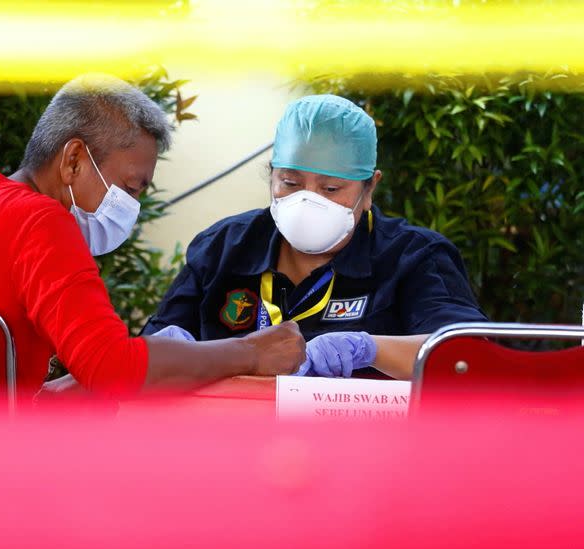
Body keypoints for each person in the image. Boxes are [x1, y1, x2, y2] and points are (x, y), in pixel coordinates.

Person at [0, 75, 305, 399]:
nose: (130, 208)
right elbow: (115, 370)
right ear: (73, 159)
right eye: (129, 189)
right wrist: (248, 352)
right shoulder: (38, 222)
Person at [142, 94, 487, 380]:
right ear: (272, 178)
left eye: (331, 188)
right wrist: (170, 349)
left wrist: (370, 349)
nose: (307, 200)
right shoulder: (223, 248)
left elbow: (465, 357)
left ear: (370, 190)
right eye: (290, 184)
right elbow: (152, 354)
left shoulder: (414, 256)